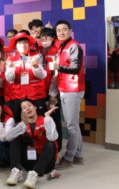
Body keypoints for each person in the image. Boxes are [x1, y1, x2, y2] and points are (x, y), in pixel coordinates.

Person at [50, 20, 85, 170]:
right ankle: (78, 155)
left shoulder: (74, 46)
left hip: (73, 89)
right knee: (73, 124)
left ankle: (69, 157)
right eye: (59, 30)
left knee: (71, 126)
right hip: (65, 88)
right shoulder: (61, 47)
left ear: (70, 31)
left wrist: (59, 67)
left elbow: (76, 68)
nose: (61, 32)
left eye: (64, 29)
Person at [6, 99, 59, 188]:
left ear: (35, 107)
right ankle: (16, 171)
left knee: (50, 143)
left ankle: (34, 174)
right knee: (15, 140)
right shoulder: (21, 124)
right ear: (22, 112)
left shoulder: (45, 120)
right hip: (30, 161)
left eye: (29, 105)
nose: (27, 108)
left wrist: (48, 118)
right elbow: (8, 137)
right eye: (24, 107)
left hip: (46, 163)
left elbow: (53, 138)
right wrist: (23, 125)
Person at [5, 32, 47, 121]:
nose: (22, 45)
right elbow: (9, 79)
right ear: (16, 45)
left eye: (25, 42)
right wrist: (11, 67)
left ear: (29, 44)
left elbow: (43, 75)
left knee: (41, 120)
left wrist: (36, 67)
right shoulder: (10, 59)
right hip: (19, 95)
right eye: (20, 43)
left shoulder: (38, 55)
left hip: (36, 94)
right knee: (20, 121)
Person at [40, 28, 63, 152]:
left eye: (47, 38)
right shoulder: (39, 50)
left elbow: (56, 74)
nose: (45, 40)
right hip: (41, 91)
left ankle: (57, 148)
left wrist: (53, 94)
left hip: (52, 92)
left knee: (54, 120)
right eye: (42, 38)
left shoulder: (56, 51)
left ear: (53, 38)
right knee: (44, 119)